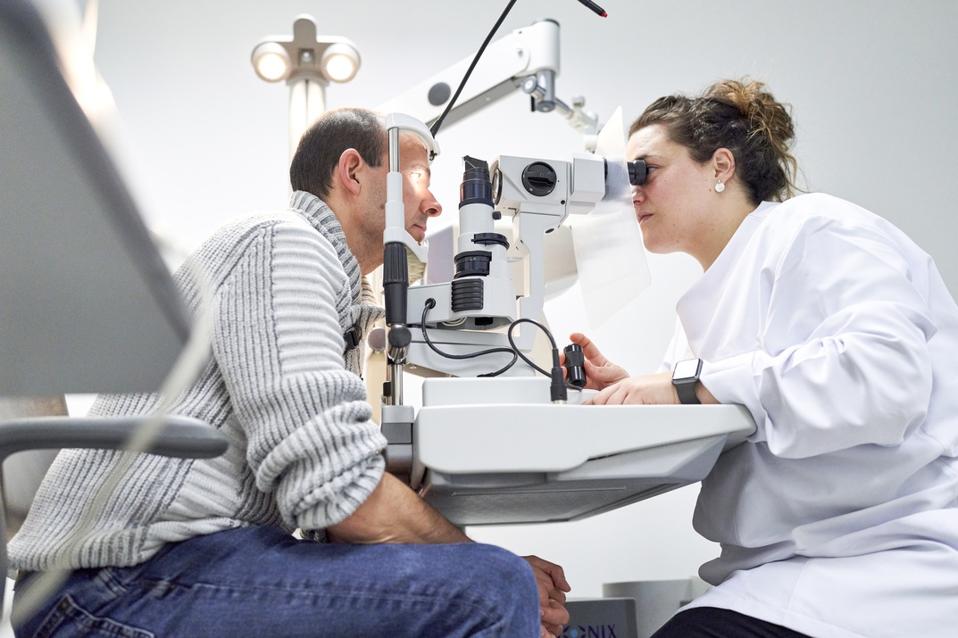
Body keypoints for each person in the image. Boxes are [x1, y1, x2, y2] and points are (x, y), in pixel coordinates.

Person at [10, 108, 571, 638]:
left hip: (165, 569)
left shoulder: (339, 295)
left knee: (483, 585)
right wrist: (483, 565)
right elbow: (341, 495)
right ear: (353, 171)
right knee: (492, 587)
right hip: (112, 586)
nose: (434, 203)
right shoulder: (284, 241)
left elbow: (332, 509)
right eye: (419, 176)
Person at [568, 80, 958, 637]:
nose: (633, 193)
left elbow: (885, 378)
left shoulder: (815, 228)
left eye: (644, 170)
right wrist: (633, 393)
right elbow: (731, 407)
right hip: (786, 567)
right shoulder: (705, 306)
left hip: (885, 555)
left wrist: (683, 388)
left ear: (720, 166)